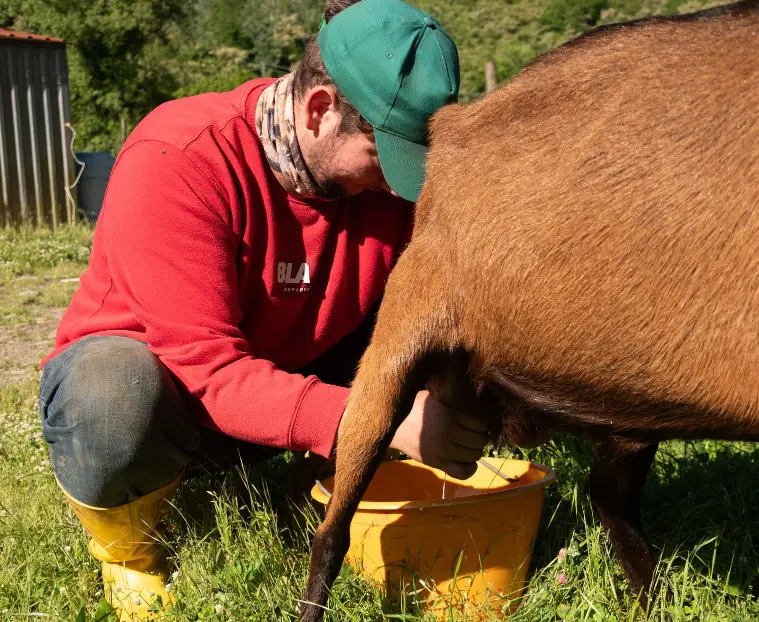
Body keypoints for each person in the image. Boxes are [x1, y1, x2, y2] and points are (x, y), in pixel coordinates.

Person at [37, 0, 488, 618]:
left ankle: (310, 481)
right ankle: (128, 551)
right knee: (113, 393)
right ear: (319, 109)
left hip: (280, 368)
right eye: (385, 156)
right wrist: (385, 421)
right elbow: (210, 369)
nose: (398, 185)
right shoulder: (181, 157)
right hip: (170, 388)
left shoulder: (383, 184)